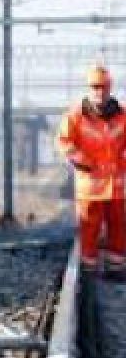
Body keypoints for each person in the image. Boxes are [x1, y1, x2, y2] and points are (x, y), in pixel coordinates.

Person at [56, 64, 126, 275]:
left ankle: (117, 268)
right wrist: (81, 160)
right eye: (95, 87)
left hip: (117, 185)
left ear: (110, 87)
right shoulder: (76, 116)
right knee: (89, 228)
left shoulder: (122, 115)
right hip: (90, 186)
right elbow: (64, 142)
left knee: (119, 228)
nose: (100, 91)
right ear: (89, 88)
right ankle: (88, 271)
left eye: (103, 86)